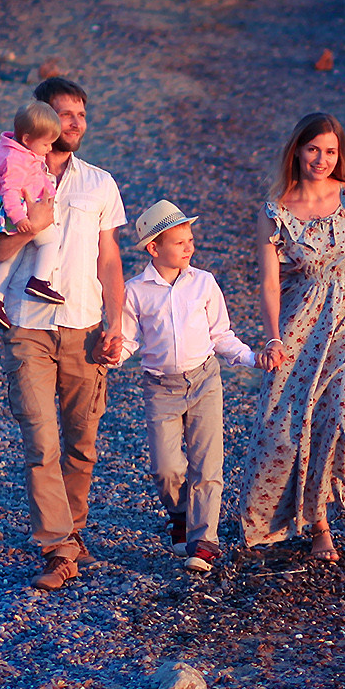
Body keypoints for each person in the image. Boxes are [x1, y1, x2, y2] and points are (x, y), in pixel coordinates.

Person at [0, 75, 126, 591]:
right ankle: (58, 548)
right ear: (40, 118)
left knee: (83, 442)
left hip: (85, 326)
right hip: (28, 327)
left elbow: (109, 259)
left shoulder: (100, 183)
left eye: (82, 114)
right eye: (66, 114)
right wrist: (27, 226)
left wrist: (116, 323)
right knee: (41, 441)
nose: (76, 123)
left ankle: (73, 530)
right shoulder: (11, 176)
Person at [238, 111, 345, 564]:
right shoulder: (275, 211)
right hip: (300, 324)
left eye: (330, 151)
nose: (321, 159)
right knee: (297, 422)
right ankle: (318, 523)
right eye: (313, 149)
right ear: (297, 151)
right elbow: (268, 283)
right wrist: (272, 339)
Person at [114, 200, 261, 574]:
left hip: (204, 381)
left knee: (207, 464)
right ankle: (180, 514)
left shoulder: (204, 283)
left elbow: (221, 334)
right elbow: (128, 342)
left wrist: (251, 357)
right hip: (159, 388)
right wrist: (112, 355)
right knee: (166, 468)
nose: (189, 247)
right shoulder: (135, 291)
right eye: (180, 242)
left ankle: (204, 541)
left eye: (190, 240)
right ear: (154, 248)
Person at [0, 101, 64, 330]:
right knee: (51, 240)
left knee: (12, 255)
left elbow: (37, 175)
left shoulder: (19, 152)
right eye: (46, 144)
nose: (49, 149)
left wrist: (49, 190)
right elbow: (11, 191)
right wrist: (20, 219)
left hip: (8, 211)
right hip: (16, 212)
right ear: (26, 139)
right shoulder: (16, 160)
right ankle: (40, 280)